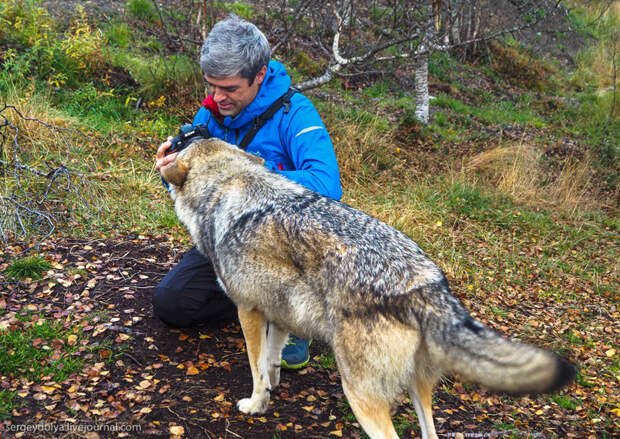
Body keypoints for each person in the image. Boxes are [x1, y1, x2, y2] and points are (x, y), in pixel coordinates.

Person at [153, 15, 342, 370]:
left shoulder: (295, 113)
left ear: (259, 76)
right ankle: (254, 303)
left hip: (286, 248)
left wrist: (248, 174)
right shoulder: (211, 114)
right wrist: (171, 174)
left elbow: (328, 184)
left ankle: (298, 312)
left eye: (230, 89)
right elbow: (190, 185)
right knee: (171, 304)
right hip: (228, 242)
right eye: (211, 86)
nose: (217, 98)